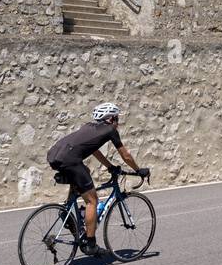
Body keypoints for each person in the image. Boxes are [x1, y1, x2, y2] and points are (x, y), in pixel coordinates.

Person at [46, 102, 149, 255]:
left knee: (84, 172)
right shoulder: (110, 130)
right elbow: (126, 155)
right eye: (117, 119)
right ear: (111, 118)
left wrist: (109, 166)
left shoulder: (89, 127)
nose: (118, 122)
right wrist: (138, 170)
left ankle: (67, 212)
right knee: (92, 200)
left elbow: (94, 151)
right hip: (70, 160)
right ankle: (90, 244)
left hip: (55, 156)